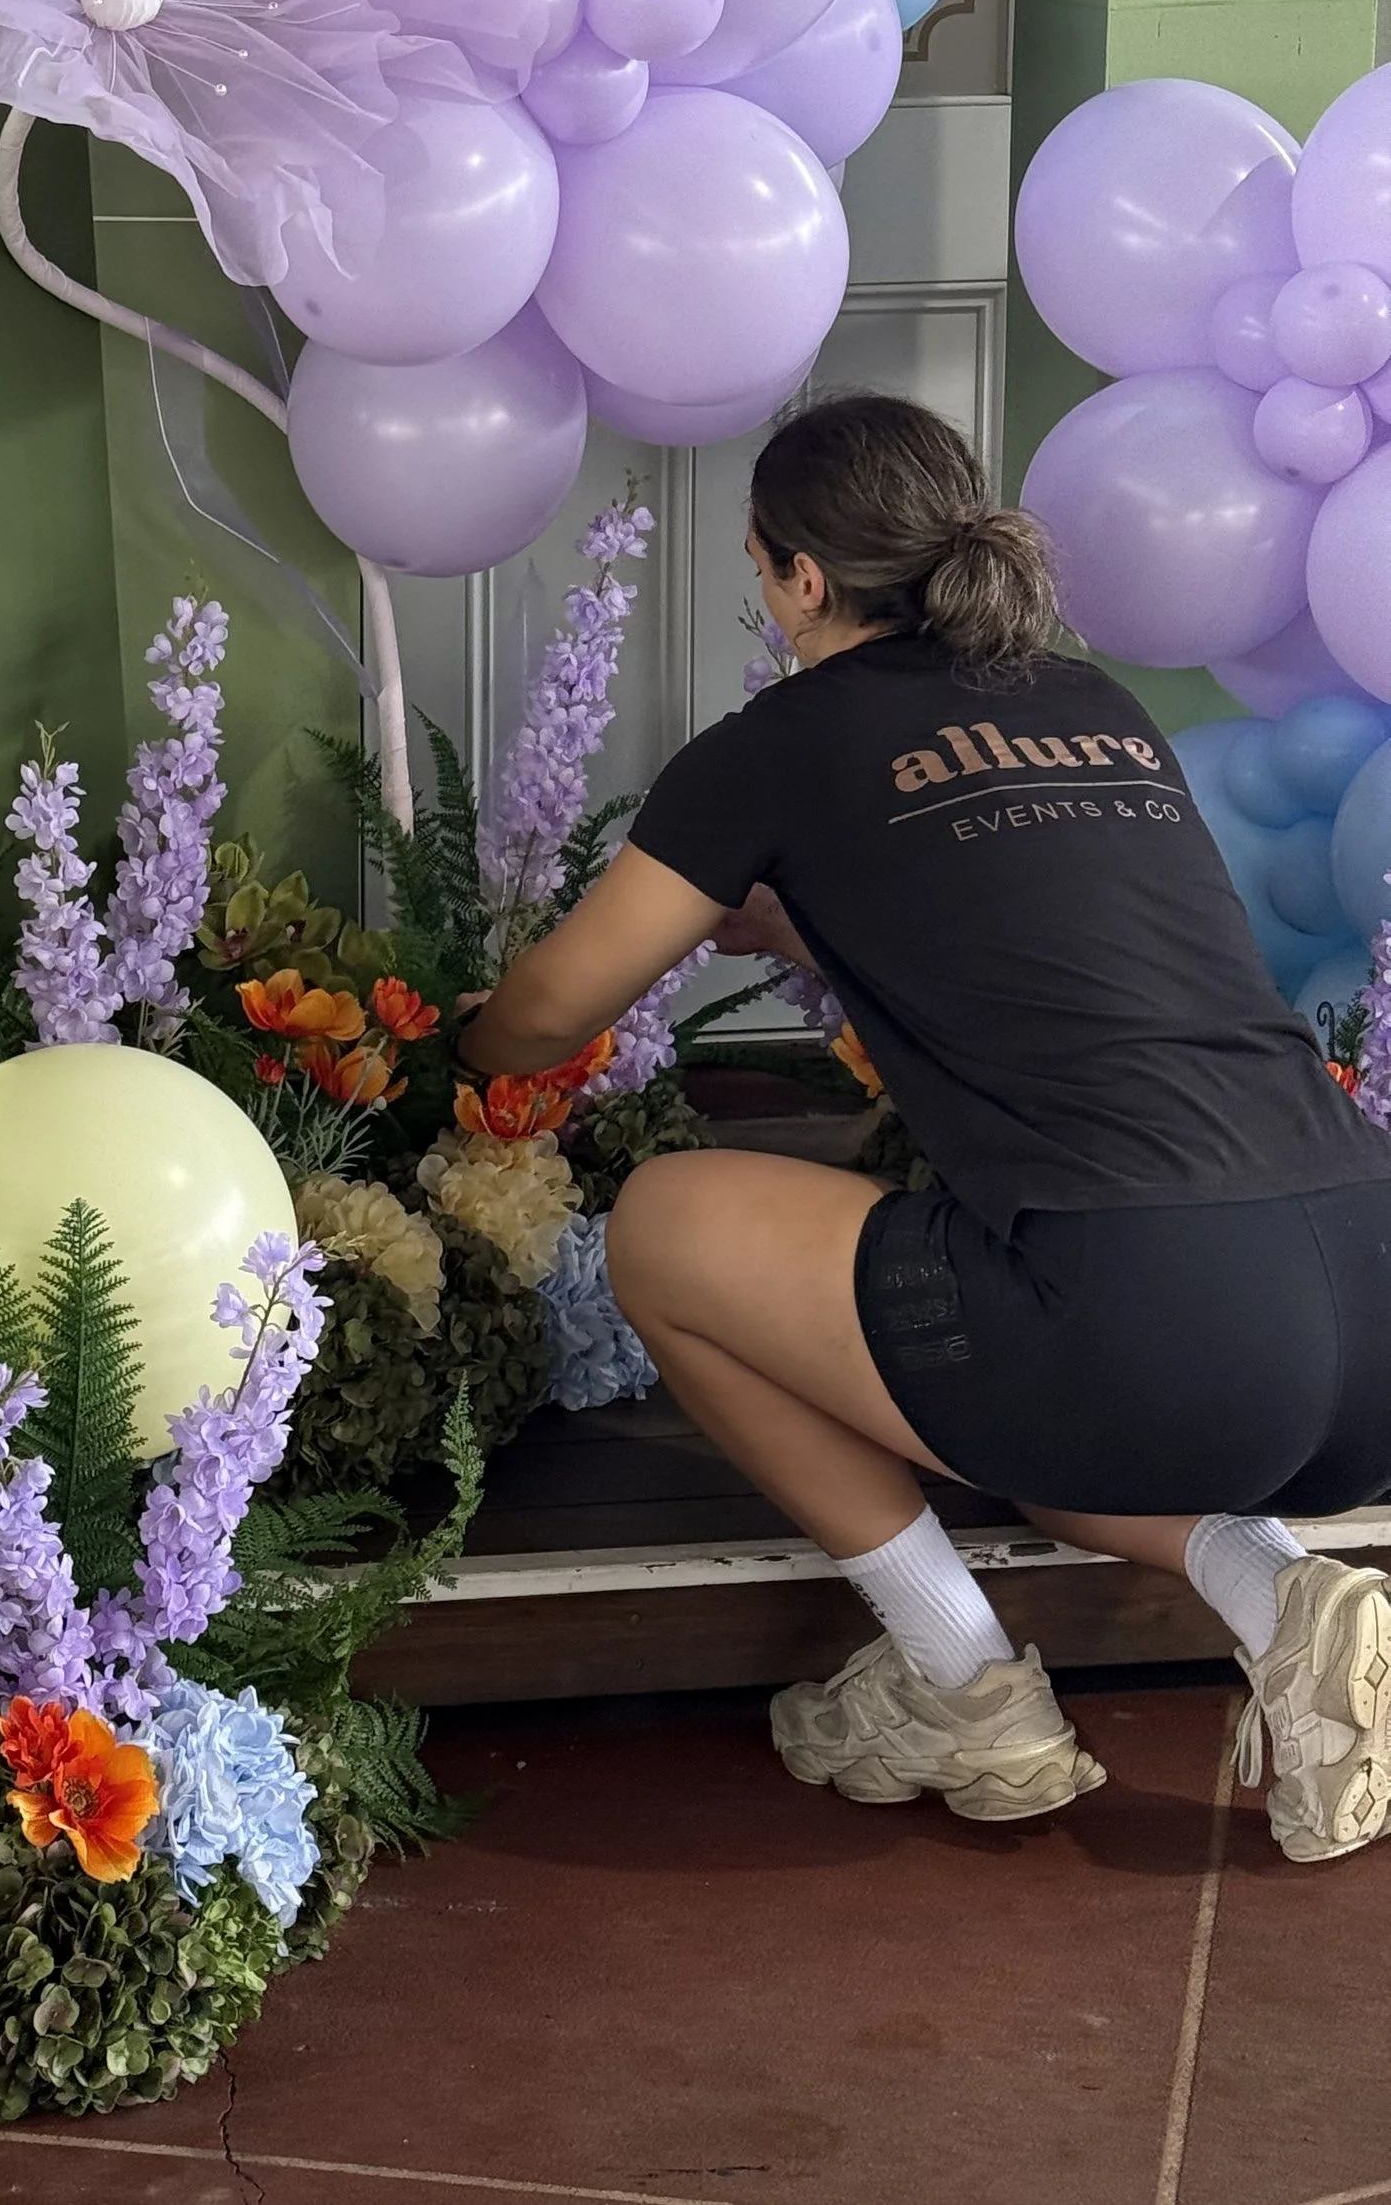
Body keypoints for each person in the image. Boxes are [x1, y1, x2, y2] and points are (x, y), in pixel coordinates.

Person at [456, 391, 1391, 1857]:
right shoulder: (1095, 705)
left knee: (663, 1231)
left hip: (1151, 1326)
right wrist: (826, 928)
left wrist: (449, 1042)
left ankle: (958, 1680)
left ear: (800, 579)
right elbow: (1063, 946)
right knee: (1013, 1367)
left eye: (762, 567)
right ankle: (1291, 1601)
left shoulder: (775, 745)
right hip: (1360, 1293)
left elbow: (546, 1010)